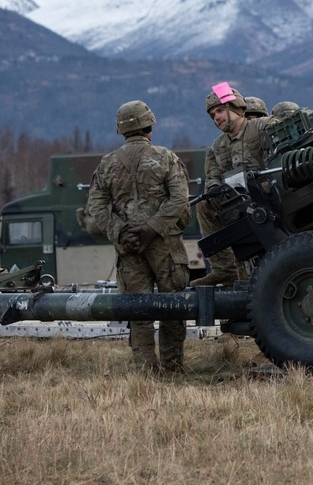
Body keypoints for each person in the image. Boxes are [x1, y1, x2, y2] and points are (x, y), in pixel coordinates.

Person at [86, 100, 191, 372]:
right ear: (149, 126)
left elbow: (96, 206)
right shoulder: (166, 157)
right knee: (172, 307)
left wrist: (120, 231)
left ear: (121, 130)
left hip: (128, 248)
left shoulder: (107, 164)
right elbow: (180, 198)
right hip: (166, 245)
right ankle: (173, 367)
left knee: (137, 311)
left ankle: (146, 370)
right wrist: (153, 228)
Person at [192, 82, 272, 287]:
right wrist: (214, 192)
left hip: (270, 196)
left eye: (219, 110)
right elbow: (213, 178)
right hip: (236, 203)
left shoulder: (261, 127)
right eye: (212, 115)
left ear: (234, 107)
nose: (216, 117)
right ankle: (224, 270)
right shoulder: (218, 146)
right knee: (204, 205)